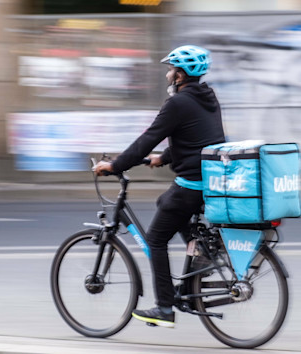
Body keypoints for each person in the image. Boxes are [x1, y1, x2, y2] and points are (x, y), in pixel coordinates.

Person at [93, 45, 225, 328]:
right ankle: (200, 255)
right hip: (209, 180)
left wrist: (115, 166)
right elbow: (199, 137)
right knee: (165, 203)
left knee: (155, 239)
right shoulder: (206, 97)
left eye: (170, 69)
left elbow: (147, 138)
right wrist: (163, 158)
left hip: (191, 184)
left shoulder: (177, 103)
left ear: (180, 75)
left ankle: (164, 308)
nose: (167, 74)